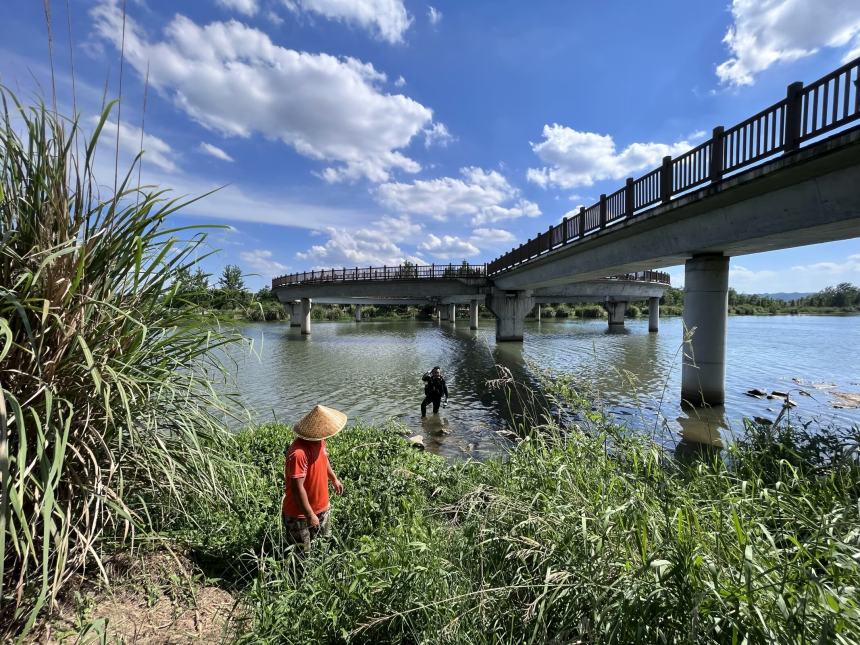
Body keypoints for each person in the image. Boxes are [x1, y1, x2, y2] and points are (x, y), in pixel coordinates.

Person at [282, 404, 346, 553]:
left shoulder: (320, 440)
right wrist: (310, 514)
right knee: (301, 554)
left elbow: (324, 459)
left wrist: (334, 479)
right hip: (299, 515)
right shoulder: (298, 453)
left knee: (323, 546)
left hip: (322, 507)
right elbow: (297, 488)